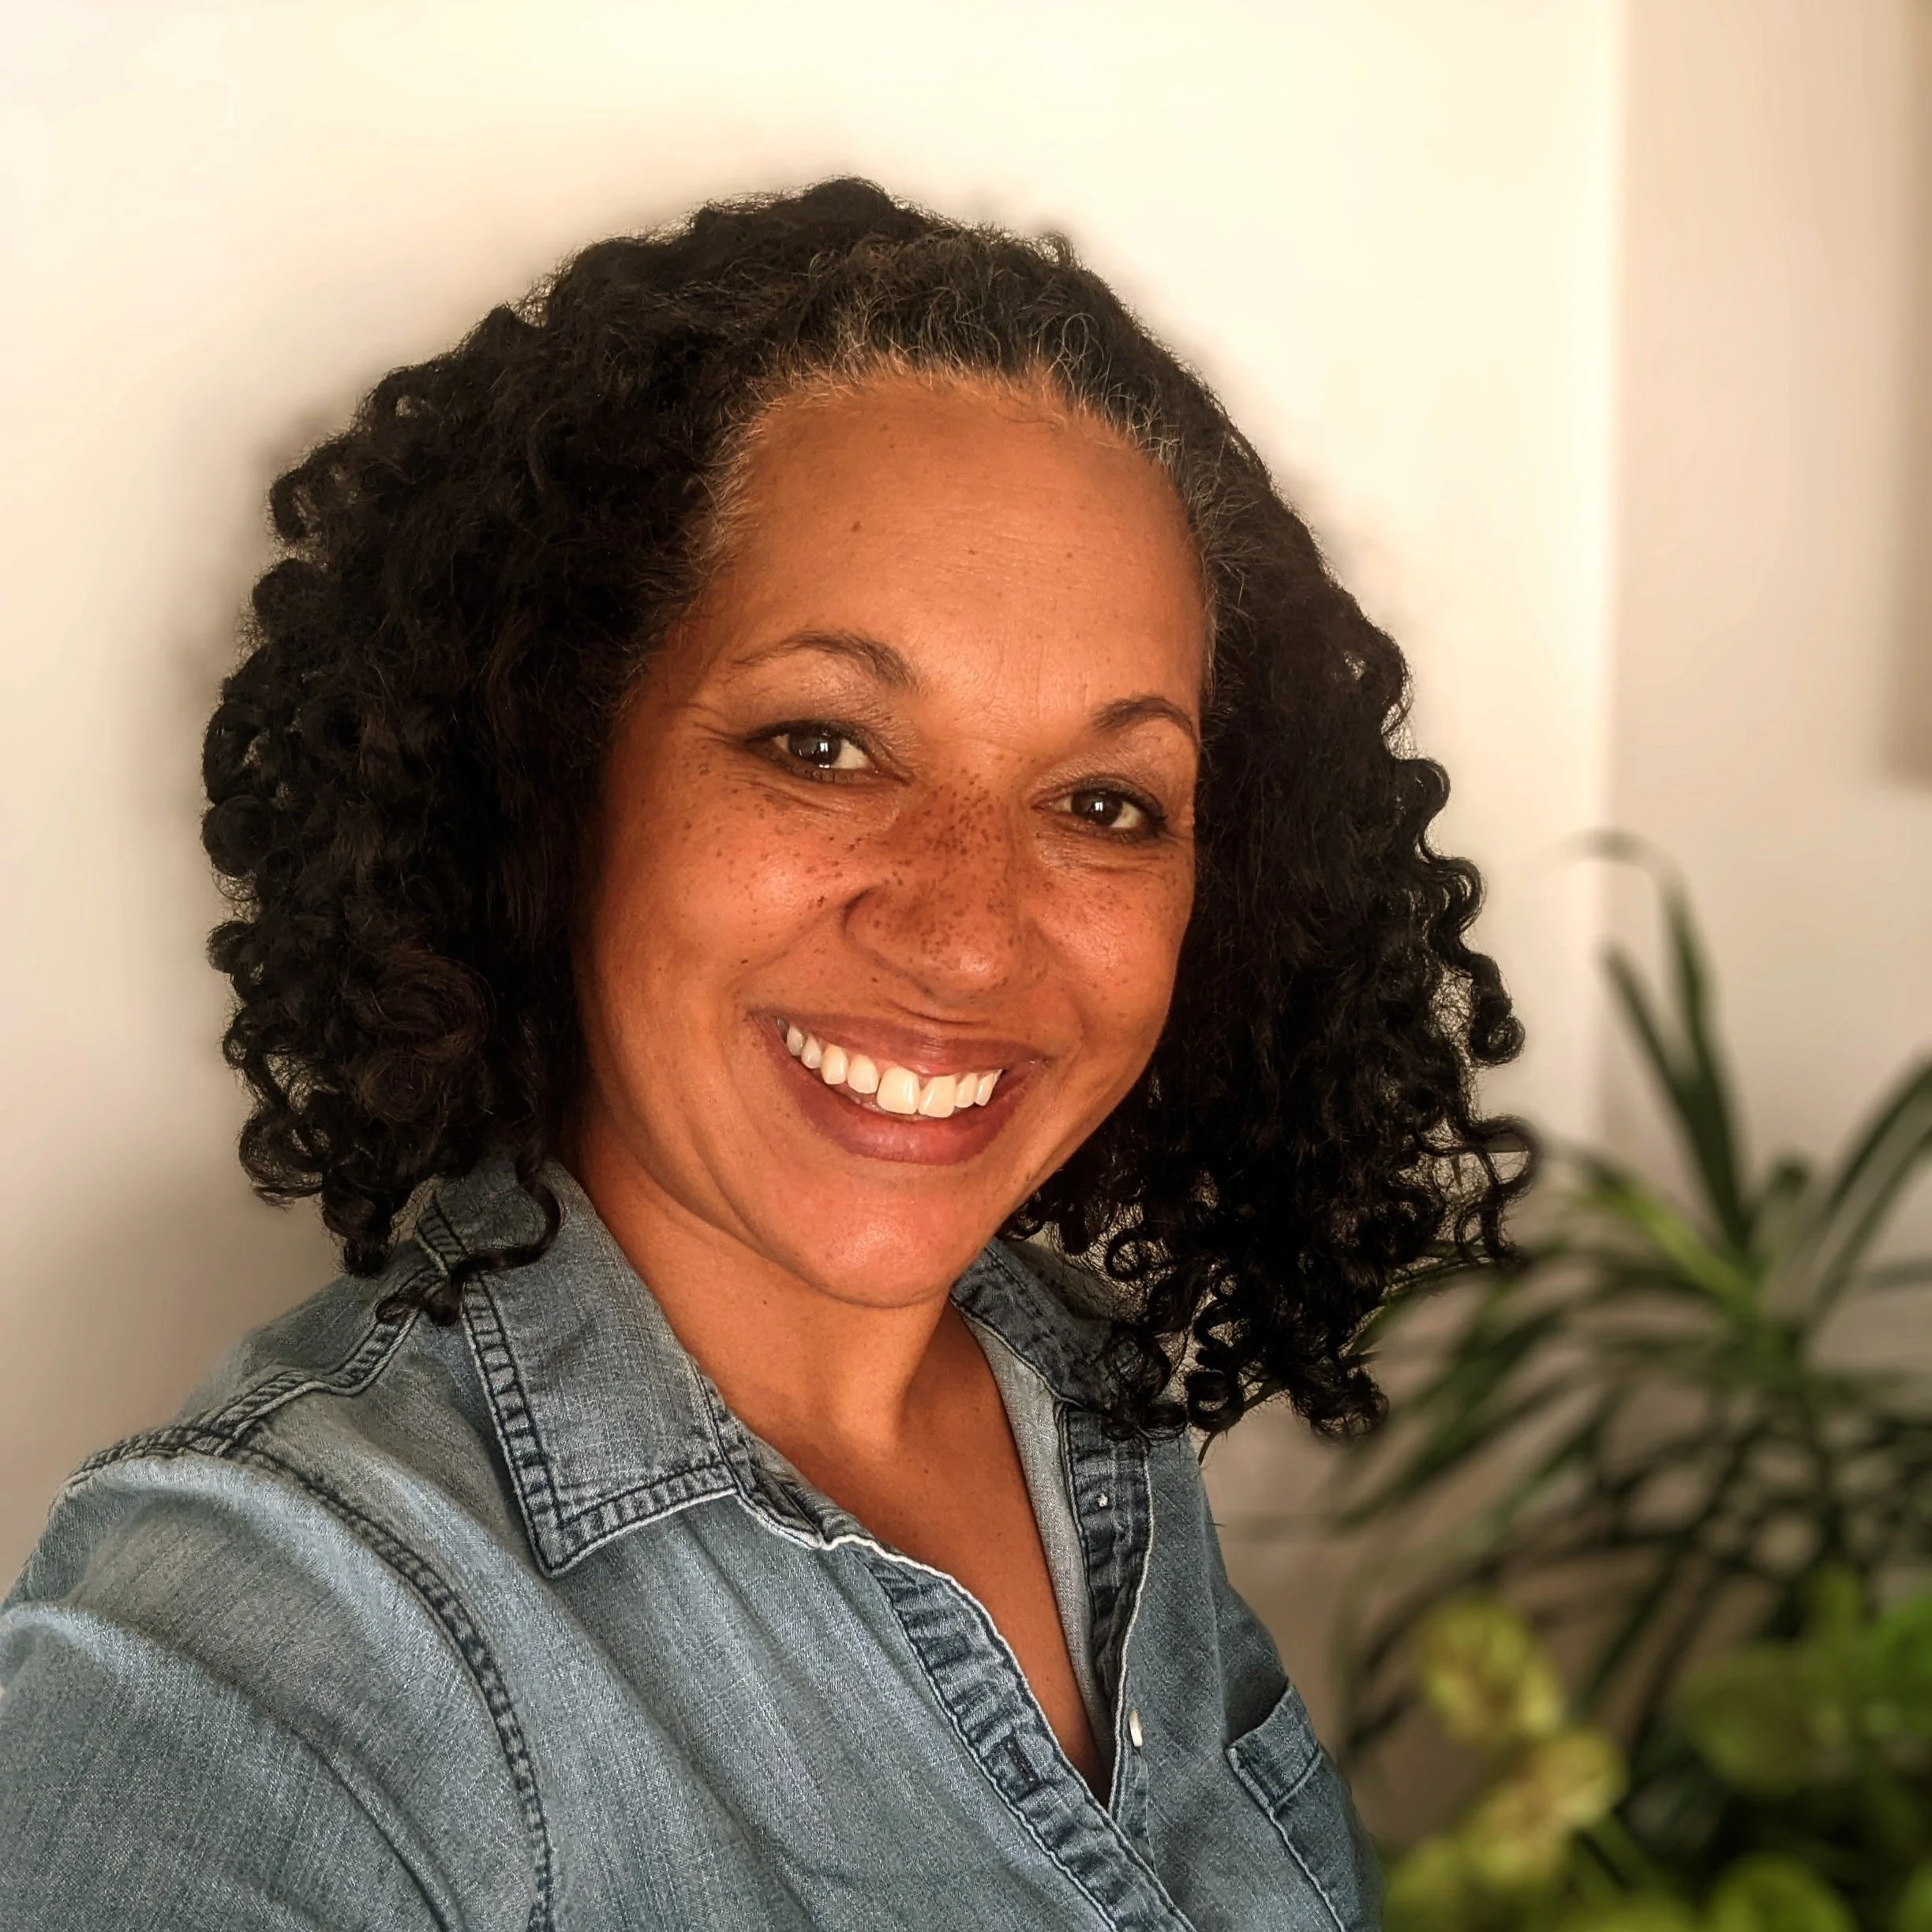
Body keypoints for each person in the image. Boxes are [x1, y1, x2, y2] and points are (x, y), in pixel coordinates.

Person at [0, 179, 1523, 1929]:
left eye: (1106, 803)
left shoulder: (1080, 1403)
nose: (969, 933)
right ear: (558, 775)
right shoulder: (258, 1657)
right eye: (824, 746)